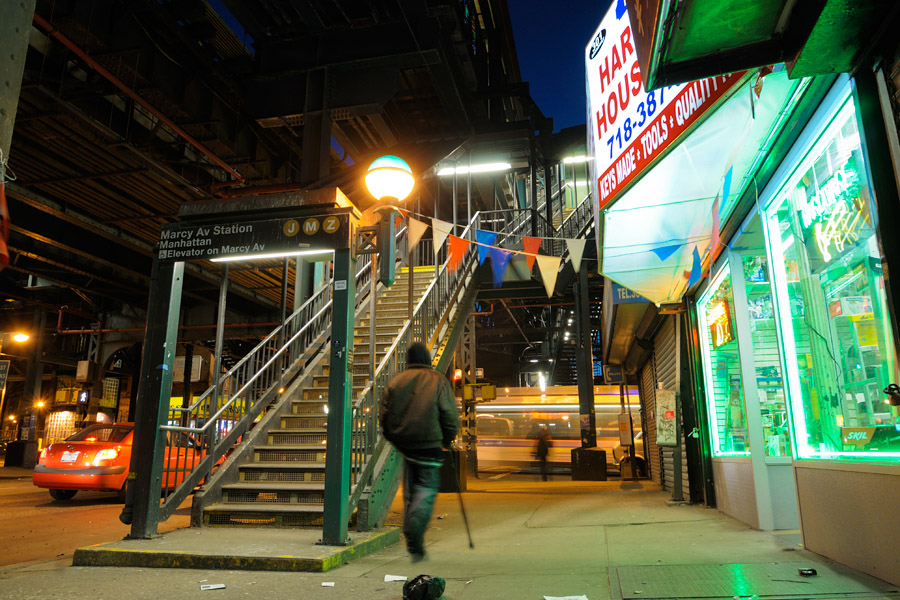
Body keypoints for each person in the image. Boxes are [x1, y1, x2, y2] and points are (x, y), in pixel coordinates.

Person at [381, 342, 458, 562]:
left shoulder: (396, 382)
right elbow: (449, 415)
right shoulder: (438, 381)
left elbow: (384, 416)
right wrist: (448, 439)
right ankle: (414, 528)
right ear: (427, 359)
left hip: (405, 445)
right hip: (430, 444)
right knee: (425, 488)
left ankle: (413, 540)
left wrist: (393, 437)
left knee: (411, 488)